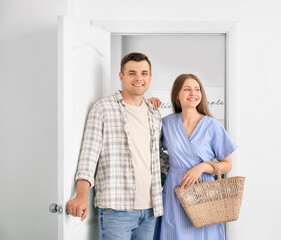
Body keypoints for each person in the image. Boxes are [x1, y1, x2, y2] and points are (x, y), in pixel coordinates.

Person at [66, 52, 164, 240]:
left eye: (144, 73)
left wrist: (200, 165)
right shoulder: (103, 108)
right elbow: (89, 156)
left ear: (150, 77)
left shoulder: (154, 114)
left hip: (151, 210)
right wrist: (81, 196)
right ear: (121, 76)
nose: (139, 78)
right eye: (132, 73)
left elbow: (158, 157)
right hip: (116, 210)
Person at [153, 74, 238, 240]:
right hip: (175, 191)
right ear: (177, 94)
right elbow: (151, 150)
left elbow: (228, 164)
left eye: (197, 89)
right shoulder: (166, 124)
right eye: (187, 89)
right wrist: (148, 106)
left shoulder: (212, 126)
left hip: (205, 193)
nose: (193, 93)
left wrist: (203, 167)